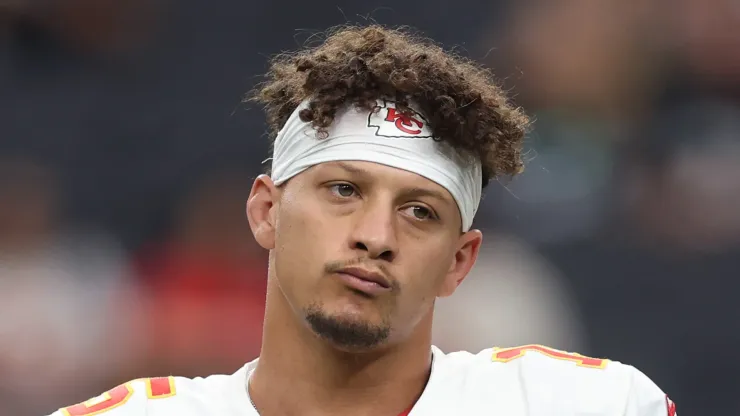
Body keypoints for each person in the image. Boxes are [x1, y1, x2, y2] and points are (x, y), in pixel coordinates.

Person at [49, 25, 677, 416]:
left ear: (459, 262)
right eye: (344, 190)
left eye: (419, 212)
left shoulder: (583, 406)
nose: (376, 237)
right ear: (267, 212)